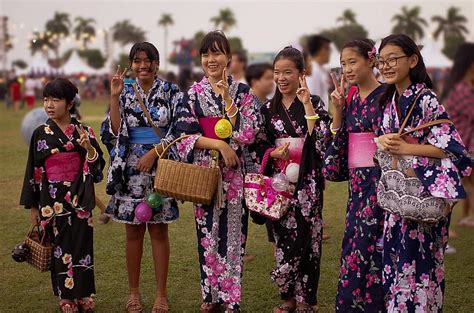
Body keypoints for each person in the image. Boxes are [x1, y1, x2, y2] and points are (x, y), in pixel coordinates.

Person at [376, 34, 472, 312]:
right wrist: (385, 142)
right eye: (382, 61)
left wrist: (406, 146)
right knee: (396, 264)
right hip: (398, 197)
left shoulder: (425, 98)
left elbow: (451, 148)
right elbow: (385, 140)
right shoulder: (389, 98)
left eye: (393, 58)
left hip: (422, 196)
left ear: (413, 60)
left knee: (422, 269)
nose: (386, 65)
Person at [171, 30, 260, 313]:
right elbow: (184, 136)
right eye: (207, 54)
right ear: (201, 58)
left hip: (235, 177)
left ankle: (231, 298)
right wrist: (220, 146)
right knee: (207, 235)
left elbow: (249, 131)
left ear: (229, 58)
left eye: (218, 53)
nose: (212, 59)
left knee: (234, 237)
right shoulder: (193, 95)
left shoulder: (243, 92)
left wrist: (228, 101)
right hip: (205, 175)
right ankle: (210, 296)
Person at [102, 42, 182, 313]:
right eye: (137, 61)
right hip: (130, 172)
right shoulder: (123, 90)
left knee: (159, 231)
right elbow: (113, 132)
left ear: (157, 64)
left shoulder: (171, 91)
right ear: (131, 65)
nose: (143, 65)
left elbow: (180, 129)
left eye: (148, 60)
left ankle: (161, 294)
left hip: (162, 170)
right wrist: (114, 97)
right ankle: (133, 293)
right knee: (133, 233)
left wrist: (156, 152)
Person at [254, 46, 331, 313]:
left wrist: (307, 103)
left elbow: (321, 141)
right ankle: (287, 296)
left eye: (288, 72)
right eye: (277, 72)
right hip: (279, 185)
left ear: (302, 74)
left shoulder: (315, 103)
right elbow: (258, 147)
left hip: (308, 182)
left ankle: (306, 300)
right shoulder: (267, 109)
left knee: (309, 241)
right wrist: (272, 152)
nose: (282, 78)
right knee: (285, 241)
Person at [20, 78, 105, 312]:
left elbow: (97, 167)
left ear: (69, 104)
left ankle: (84, 294)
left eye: (55, 99)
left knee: (82, 246)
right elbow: (34, 172)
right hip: (51, 200)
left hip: (79, 198)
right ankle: (65, 296)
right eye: (46, 99)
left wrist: (88, 148)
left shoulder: (84, 131)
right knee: (60, 248)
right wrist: (34, 207)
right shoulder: (40, 134)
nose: (48, 104)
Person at [323, 39, 385, 312]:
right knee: (354, 250)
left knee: (377, 251)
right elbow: (340, 143)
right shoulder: (351, 99)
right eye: (343, 63)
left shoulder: (387, 96)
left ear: (371, 60)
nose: (347, 69)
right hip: (358, 190)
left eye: (352, 62)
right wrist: (338, 112)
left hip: (381, 184)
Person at [442, 42, 474, 228]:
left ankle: (466, 217)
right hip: (458, 145)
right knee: (454, 187)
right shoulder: (463, 90)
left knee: (466, 183)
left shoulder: (463, 86)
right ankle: (446, 226)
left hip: (464, 144)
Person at [306, 35, 331, 109]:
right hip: (316, 117)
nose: (330, 52)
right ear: (320, 50)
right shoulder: (313, 71)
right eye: (327, 48)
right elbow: (312, 97)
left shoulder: (321, 70)